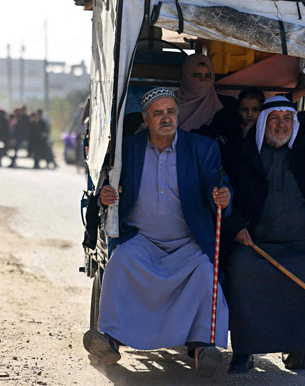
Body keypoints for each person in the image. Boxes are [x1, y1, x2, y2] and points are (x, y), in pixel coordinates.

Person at [82, 88, 233, 377]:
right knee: (120, 262)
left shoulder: (201, 148)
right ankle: (110, 340)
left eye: (171, 112)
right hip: (143, 239)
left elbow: (219, 183)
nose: (167, 118)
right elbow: (109, 186)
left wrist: (224, 197)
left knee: (204, 272)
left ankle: (203, 347)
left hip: (187, 242)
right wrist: (106, 196)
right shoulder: (129, 149)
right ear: (146, 119)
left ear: (178, 115)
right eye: (159, 113)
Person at [220, 95, 305, 375]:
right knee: (241, 270)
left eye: (287, 119)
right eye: (274, 119)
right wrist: (237, 228)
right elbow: (223, 196)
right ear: (262, 123)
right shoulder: (240, 155)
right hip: (257, 246)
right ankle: (244, 350)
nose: (281, 125)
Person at [175, 53, 238, 141]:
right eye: (197, 75)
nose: (203, 80)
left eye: (207, 76)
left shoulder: (226, 106)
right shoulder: (169, 105)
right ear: (186, 76)